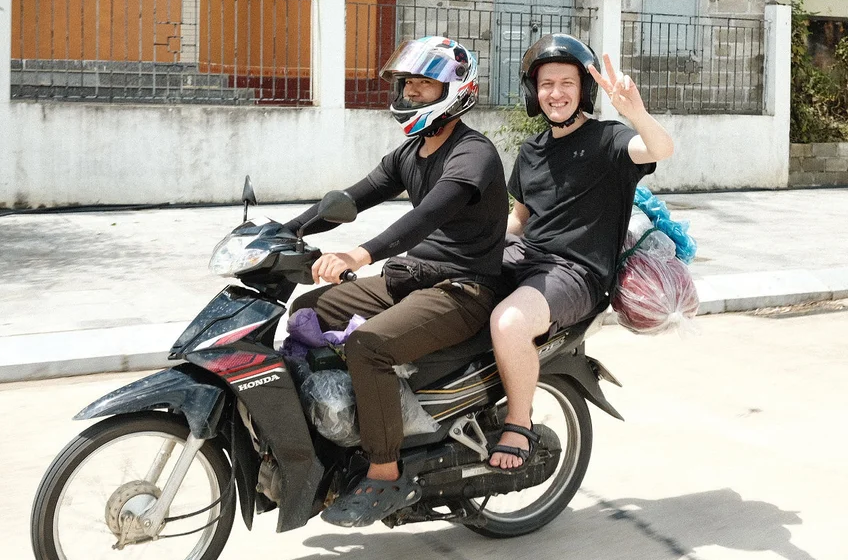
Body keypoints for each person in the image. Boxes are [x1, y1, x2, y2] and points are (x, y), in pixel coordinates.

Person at [283, 36, 508, 527]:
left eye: (424, 85)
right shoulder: (410, 151)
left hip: (463, 289)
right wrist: (284, 232)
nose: (410, 93)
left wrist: (359, 254)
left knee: (368, 345)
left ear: (455, 91)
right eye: (408, 84)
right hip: (413, 279)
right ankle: (337, 431)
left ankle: (385, 473)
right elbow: (349, 199)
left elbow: (426, 218)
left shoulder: (473, 154)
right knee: (312, 311)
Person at [487, 34, 674, 470]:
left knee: (510, 322)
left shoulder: (610, 140)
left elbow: (660, 149)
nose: (556, 93)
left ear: (583, 90)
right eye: (546, 84)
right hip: (529, 257)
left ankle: (519, 423)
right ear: (535, 93)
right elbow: (521, 219)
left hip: (577, 274)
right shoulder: (532, 151)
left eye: (566, 83)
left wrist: (637, 113)